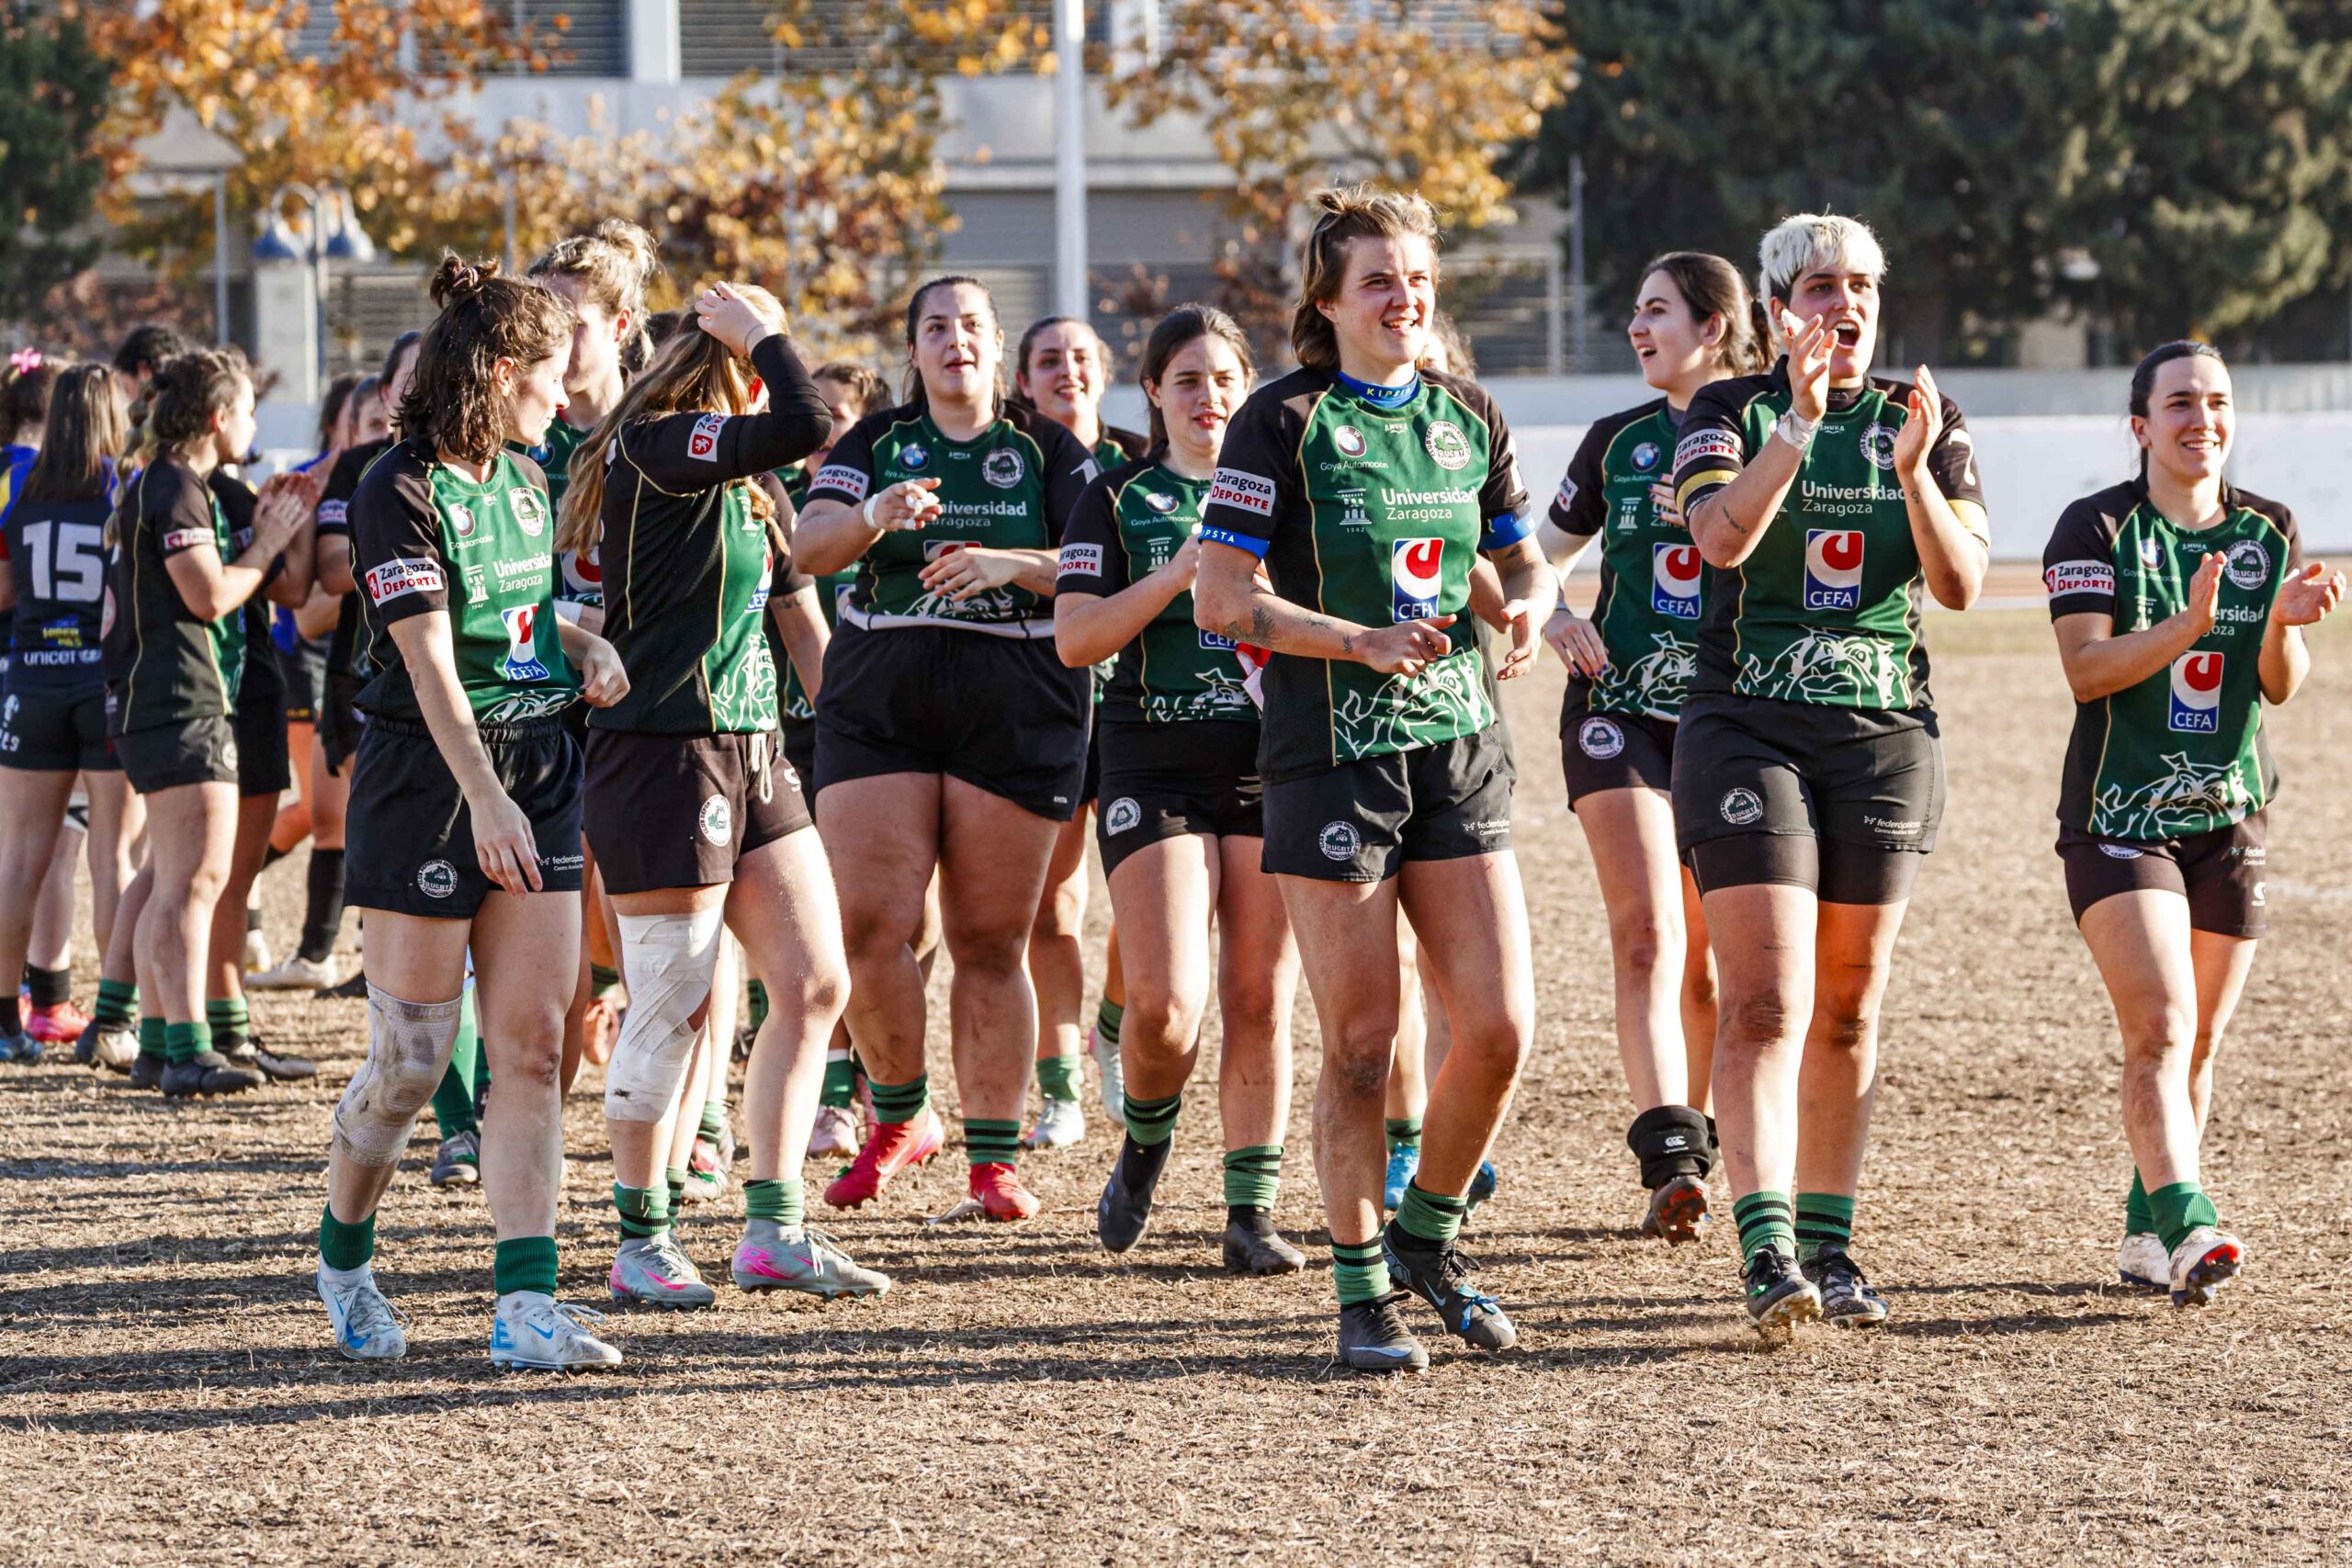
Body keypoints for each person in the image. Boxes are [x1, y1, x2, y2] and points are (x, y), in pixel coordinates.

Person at [1193, 186, 1553, 1371]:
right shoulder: (1278, 420)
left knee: (1498, 1028)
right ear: (1327, 303)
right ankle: (1362, 1294)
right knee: (1361, 1040)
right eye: (1380, 282)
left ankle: (1427, 1236)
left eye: (1418, 280)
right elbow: (1221, 601)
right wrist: (1352, 641)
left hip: (1457, 743)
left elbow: (1518, 561)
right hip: (1331, 755)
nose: (1406, 299)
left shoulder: (1467, 415)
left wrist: (1528, 609)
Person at [1670, 213, 1988, 1333]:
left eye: (1860, 286)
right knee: (1765, 998)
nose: (1841, 307)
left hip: (1883, 737)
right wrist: (1798, 426)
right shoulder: (1728, 409)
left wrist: (1914, 476)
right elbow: (1718, 540)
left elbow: (1959, 586)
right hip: (1745, 728)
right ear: (1773, 309)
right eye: (1816, 288)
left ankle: (1831, 1246)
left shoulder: (1925, 416)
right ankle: (1765, 1251)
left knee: (1847, 1009)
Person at [313, 254, 629, 1371]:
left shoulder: (530, 473)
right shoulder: (392, 487)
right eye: (552, 370)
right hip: (429, 782)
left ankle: (525, 1306)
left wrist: (582, 648)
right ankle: (344, 1259)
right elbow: (433, 666)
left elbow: (520, 621)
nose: (565, 388)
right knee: (410, 1057)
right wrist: (484, 801)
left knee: (535, 1049)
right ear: (498, 371)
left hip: (536, 765)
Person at [560, 278, 883, 1305]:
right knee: (675, 1006)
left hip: (753, 745)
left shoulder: (750, 484)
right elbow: (809, 417)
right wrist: (765, 333)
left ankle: (772, 1229)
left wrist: (853, 735)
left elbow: (797, 615)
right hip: (663, 750)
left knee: (816, 981)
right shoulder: (658, 443)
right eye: (755, 363)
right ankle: (640, 1237)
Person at [2041, 341, 2342, 1308]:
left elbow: (2278, 689)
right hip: (2119, 819)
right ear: (2140, 426)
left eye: (2215, 402)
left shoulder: (2267, 526)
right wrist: (2192, 622)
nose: (2199, 419)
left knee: (2198, 1043)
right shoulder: (2092, 527)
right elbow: (2087, 672)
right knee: (2160, 1029)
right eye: (2177, 403)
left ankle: (2143, 1234)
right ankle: (2190, 1220)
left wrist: (2279, 623)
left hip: (2230, 818)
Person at [795, 275, 1098, 1224]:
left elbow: (1098, 564)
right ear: (913, 351)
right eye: (935, 327)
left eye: (970, 324)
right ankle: (900, 1112)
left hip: (1014, 698)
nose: (953, 339)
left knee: (989, 940)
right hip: (878, 693)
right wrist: (873, 516)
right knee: (867, 926)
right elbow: (809, 545)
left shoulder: (1046, 448)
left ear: (997, 344)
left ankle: (994, 1160)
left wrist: (1010, 565)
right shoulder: (874, 442)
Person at [1055, 303, 1308, 1273]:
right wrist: (1175, 577)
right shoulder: (1114, 497)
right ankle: (1147, 1143)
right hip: (1152, 761)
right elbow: (1077, 638)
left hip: (1270, 760)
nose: (1209, 397)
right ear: (1153, 392)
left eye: (1224, 379)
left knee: (1259, 995)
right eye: (1188, 380)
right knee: (1165, 1005)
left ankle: (1250, 1214)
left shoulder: (1284, 492)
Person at [1539, 252, 1762, 1240]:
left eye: (1657, 310)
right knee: (1648, 937)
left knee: (1710, 968)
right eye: (1634, 309)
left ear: (1713, 326)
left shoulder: (1769, 430)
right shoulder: (1614, 441)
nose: (1636, 328)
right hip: (1614, 712)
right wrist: (1549, 618)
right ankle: (1666, 1151)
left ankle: (1705, 1153)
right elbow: (1522, 557)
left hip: (1730, 718)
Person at [101, 349, 311, 1098]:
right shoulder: (174, 487)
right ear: (219, 418)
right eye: (249, 410)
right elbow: (207, 595)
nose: (253, 425)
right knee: (194, 881)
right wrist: (267, 543)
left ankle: (162, 1042)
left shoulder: (162, 484)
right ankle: (187, 1044)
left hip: (166, 699)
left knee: (182, 876)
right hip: (176, 699)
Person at [526, 220, 663, 1091]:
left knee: (655, 919)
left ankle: (693, 1117)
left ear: (619, 326)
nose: (550, 339)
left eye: (569, 320)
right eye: (537, 318)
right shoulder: (513, 436)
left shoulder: (662, 427)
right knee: (556, 922)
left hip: (649, 700)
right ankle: (542, 1102)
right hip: (539, 702)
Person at [1012, 315, 1148, 1145]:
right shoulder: (1007, 458)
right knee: (1053, 905)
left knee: (1148, 908)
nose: (1067, 369)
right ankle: (1060, 1087)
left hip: (1139, 700)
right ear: (1023, 380)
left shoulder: (1143, 461)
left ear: (1106, 372)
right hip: (1043, 697)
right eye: (1047, 359)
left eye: (1080, 357)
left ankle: (1112, 1025)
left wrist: (1021, 564)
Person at [773, 360, 897, 1162]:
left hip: (870, 729)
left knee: (873, 922)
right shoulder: (780, 499)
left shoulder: (890, 511)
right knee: (797, 921)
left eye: (842, 422)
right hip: (785, 726)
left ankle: (872, 1088)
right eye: (816, 425)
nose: (825, 441)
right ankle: (831, 1087)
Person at [0, 366, 141, 1064]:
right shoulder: (121, 484)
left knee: (20, 855)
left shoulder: (20, 492)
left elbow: (5, 588)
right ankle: (113, 1019)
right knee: (112, 852)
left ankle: (6, 1022)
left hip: (31, 677)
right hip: (102, 680)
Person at [252, 373, 378, 990]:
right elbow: (307, 609)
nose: (387, 434)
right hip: (310, 667)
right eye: (373, 425)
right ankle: (291, 931)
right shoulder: (320, 481)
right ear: (346, 429)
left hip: (360, 666)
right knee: (323, 813)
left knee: (334, 815)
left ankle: (336, 947)